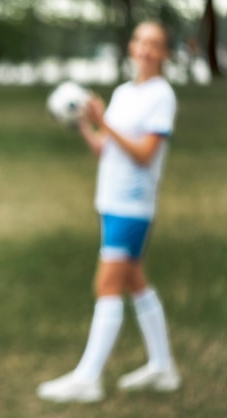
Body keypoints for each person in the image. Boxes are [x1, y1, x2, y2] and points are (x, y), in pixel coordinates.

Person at [37, 21, 181, 403]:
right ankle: (163, 367)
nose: (145, 49)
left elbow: (144, 154)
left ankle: (88, 378)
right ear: (132, 47)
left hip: (133, 205)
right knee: (135, 282)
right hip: (111, 201)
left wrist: (104, 122)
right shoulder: (123, 92)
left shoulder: (161, 95)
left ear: (165, 53)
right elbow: (106, 148)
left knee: (107, 286)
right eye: (140, 41)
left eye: (154, 44)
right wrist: (87, 125)